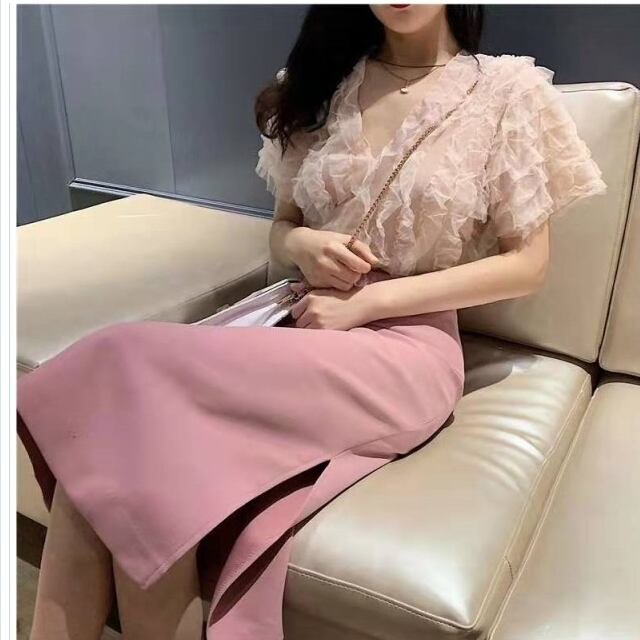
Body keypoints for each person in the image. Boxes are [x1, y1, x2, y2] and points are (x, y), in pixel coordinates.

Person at [17, 5, 607, 640]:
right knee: (118, 444)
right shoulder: (323, 83)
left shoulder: (507, 92)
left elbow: (526, 266)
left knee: (121, 365)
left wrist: (370, 303)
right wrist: (304, 246)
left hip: (406, 349)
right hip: (303, 318)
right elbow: (282, 229)